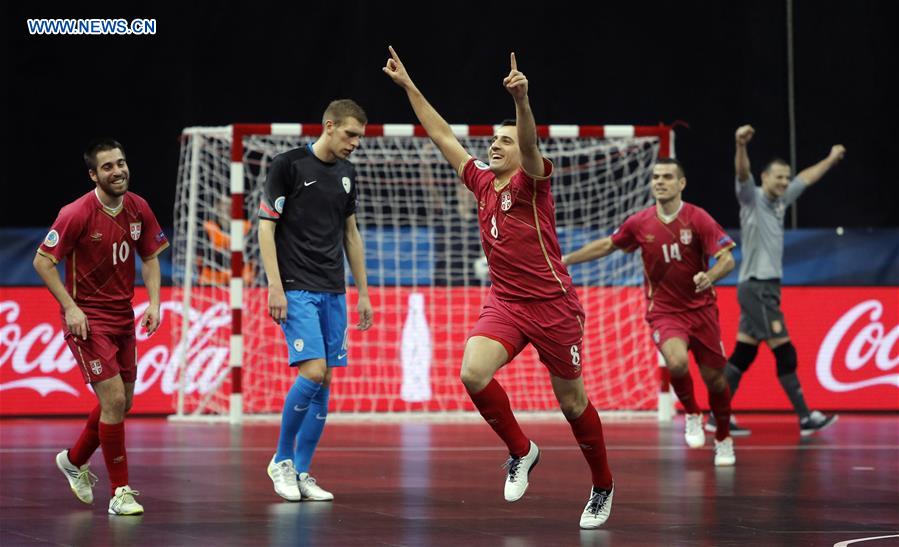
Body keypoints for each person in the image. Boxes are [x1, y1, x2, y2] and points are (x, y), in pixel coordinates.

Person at [383, 46, 614, 529]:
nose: (494, 145)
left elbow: (530, 146)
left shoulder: (533, 183)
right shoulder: (482, 183)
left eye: (503, 141)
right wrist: (409, 87)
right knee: (472, 374)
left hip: (553, 307)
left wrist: (522, 103)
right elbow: (442, 134)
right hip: (506, 303)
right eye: (492, 140)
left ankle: (602, 485)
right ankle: (522, 450)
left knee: (572, 405)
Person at [563, 158, 738, 467]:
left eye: (667, 177)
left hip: (703, 312)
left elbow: (727, 259)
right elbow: (608, 245)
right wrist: (566, 260)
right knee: (676, 361)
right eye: (656, 176)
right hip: (665, 311)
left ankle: (723, 437)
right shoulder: (640, 222)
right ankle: (693, 414)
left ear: (681, 183)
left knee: (717, 382)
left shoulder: (698, 219)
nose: (660, 181)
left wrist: (710, 276)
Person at [35, 138, 169, 515]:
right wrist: (71, 308)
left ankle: (74, 461)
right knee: (111, 401)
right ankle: (120, 492)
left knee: (123, 403)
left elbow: (152, 257)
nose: (118, 171)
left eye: (121, 163)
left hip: (123, 316)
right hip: (88, 321)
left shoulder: (139, 207)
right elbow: (42, 262)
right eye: (108, 166)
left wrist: (154, 302)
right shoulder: (76, 213)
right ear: (94, 174)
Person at [258, 99, 373, 503]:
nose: (355, 143)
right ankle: (282, 460)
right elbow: (266, 228)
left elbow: (351, 235)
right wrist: (275, 286)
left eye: (359, 136)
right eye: (350, 134)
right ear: (329, 126)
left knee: (325, 381)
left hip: (333, 290)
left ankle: (303, 471)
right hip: (296, 286)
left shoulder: (347, 173)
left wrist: (362, 292)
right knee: (313, 371)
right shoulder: (287, 165)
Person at [708, 125, 844, 437]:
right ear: (765, 178)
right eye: (778, 176)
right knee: (786, 353)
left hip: (764, 289)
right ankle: (806, 418)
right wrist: (740, 144)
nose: (784, 182)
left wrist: (830, 158)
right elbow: (743, 173)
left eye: (786, 177)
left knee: (744, 354)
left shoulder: (781, 199)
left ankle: (717, 418)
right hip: (757, 288)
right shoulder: (752, 198)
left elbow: (805, 179)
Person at [198, 194, 254, 286]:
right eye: (223, 204)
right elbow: (201, 258)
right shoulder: (208, 227)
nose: (226, 208)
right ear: (217, 206)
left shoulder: (246, 227)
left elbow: (252, 257)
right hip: (212, 282)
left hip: (242, 281)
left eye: (229, 204)